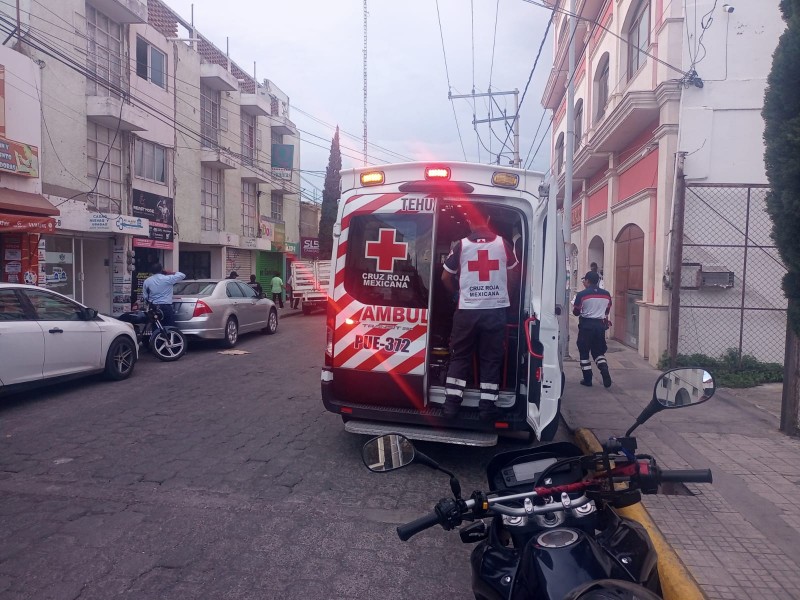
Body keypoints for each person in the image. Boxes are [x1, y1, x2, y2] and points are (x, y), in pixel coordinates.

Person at [441, 207, 518, 420]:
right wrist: (505, 296)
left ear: (469, 221)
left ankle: (451, 406)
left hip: (466, 312)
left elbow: (445, 278)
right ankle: (486, 409)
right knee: (491, 358)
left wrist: (457, 294)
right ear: (489, 218)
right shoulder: (503, 244)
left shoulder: (461, 246)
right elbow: (513, 274)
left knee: (460, 355)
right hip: (495, 311)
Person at [573, 271, 612, 387]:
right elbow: (607, 311)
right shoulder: (606, 294)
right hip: (600, 326)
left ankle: (587, 379)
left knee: (584, 352)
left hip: (586, 326)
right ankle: (604, 369)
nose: (584, 282)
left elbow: (576, 312)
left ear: (588, 281)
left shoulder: (582, 295)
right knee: (598, 351)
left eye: (584, 280)